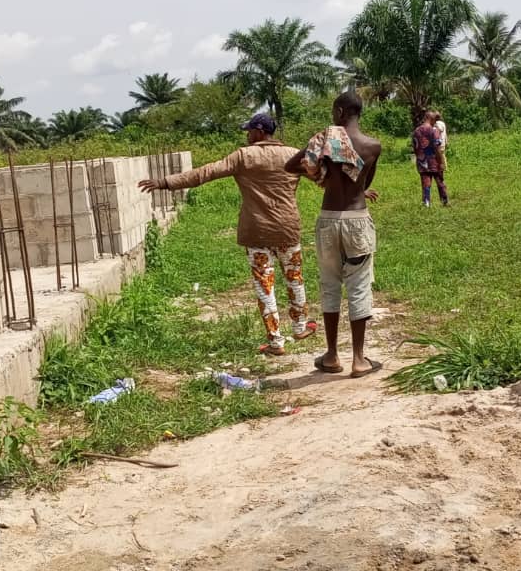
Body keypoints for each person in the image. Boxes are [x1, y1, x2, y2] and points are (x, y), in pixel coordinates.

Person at [139, 113, 316, 355]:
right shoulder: (293, 155)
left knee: (264, 286)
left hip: (257, 232)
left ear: (259, 132)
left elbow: (206, 173)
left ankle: (276, 342)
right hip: (288, 229)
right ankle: (300, 327)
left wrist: (166, 182)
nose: (247, 135)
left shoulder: (244, 156)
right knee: (294, 278)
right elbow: (323, 177)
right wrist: (358, 190)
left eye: (249, 131)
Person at [285, 91, 383, 378]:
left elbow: (290, 165)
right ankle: (359, 359)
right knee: (359, 286)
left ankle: (331, 355)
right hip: (357, 219)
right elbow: (364, 181)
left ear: (340, 112)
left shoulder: (325, 141)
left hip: (328, 219)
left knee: (330, 285)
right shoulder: (372, 146)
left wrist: (321, 172)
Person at [412, 113, 448, 207]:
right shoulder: (433, 131)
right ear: (430, 119)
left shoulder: (416, 131)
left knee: (426, 183)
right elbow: (437, 147)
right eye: (434, 120)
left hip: (422, 161)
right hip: (434, 161)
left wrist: (419, 158)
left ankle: (426, 203)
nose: (435, 123)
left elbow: (415, 147)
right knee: (440, 182)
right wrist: (441, 162)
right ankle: (444, 202)